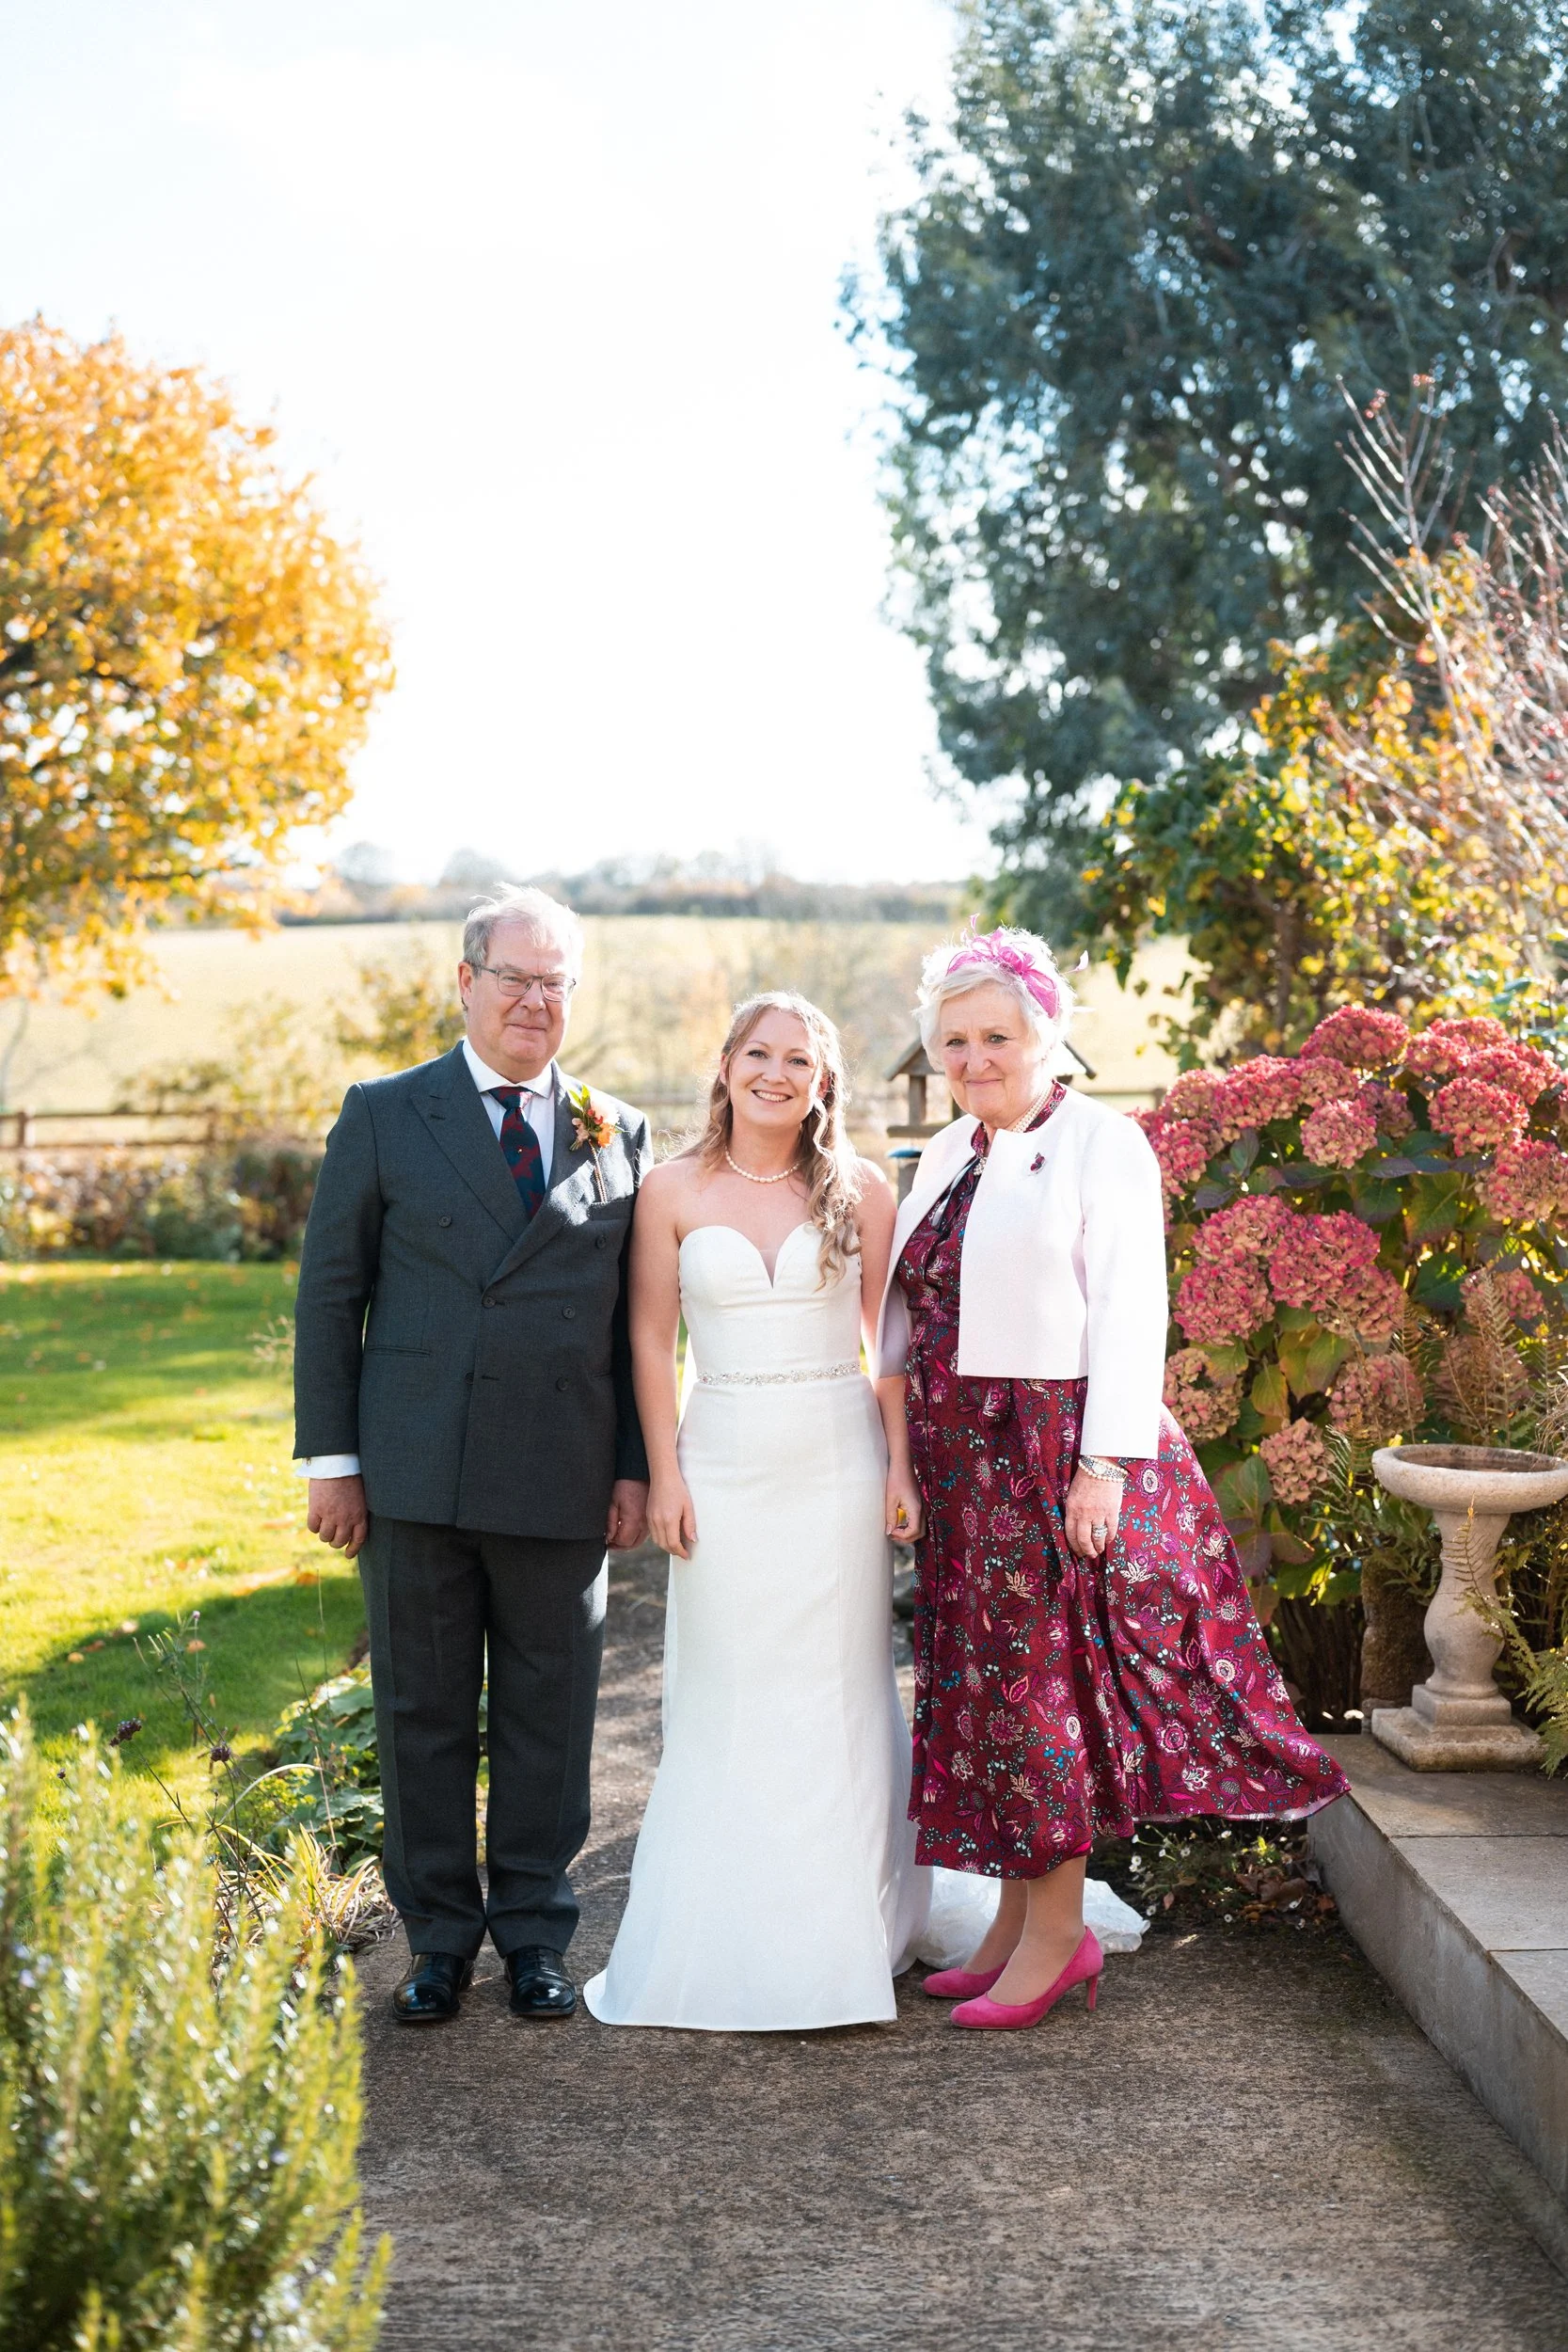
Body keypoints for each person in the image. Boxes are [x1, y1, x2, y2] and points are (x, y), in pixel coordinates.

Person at [583, 991, 1142, 2033]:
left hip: (835, 1459)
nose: (777, 1073)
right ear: (724, 1062)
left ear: (824, 1080)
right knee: (728, 1687)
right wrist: (664, 1473)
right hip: (722, 1456)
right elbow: (647, 1345)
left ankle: (854, 1927)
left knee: (840, 1693)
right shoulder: (666, 1189)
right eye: (759, 1052)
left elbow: (889, 1347)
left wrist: (898, 1468)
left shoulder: (864, 1189)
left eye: (801, 1058)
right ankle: (727, 1924)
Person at [877, 926, 1351, 2032]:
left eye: (996, 1035)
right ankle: (1006, 1923)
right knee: (983, 1694)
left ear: (1045, 1035)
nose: (974, 1057)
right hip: (961, 1461)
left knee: (1042, 1697)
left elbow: (1134, 1313)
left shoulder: (1101, 1144)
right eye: (954, 1041)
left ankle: (1056, 1937)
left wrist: (1100, 1469)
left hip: (1047, 1451)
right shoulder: (949, 1150)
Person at [294, 885, 651, 2026]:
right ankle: (439, 1942)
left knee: (551, 1718)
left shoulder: (617, 1128)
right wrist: (331, 1461)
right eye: (516, 978)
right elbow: (328, 1298)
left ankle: (538, 1939)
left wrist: (635, 1467)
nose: (536, 1001)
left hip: (560, 1473)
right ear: (465, 982)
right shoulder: (387, 1113)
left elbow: (637, 1326)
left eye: (556, 982)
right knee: (424, 1712)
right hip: (414, 1472)